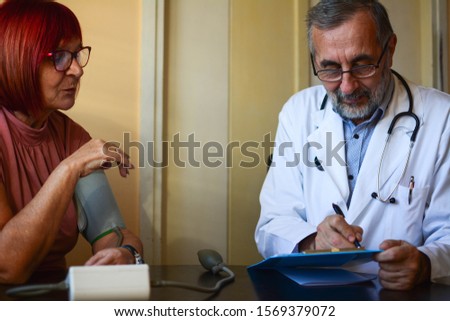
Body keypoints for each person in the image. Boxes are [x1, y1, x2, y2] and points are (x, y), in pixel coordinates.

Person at [255, 0, 450, 290]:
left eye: (362, 65)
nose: (347, 86)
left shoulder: (441, 115)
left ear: (390, 49)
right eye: (330, 69)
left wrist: (425, 263)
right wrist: (312, 241)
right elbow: (272, 223)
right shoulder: (298, 112)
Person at [0, 0, 143, 284]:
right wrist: (70, 168)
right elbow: (7, 266)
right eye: (61, 56)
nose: (78, 70)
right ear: (18, 58)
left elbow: (112, 233)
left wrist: (126, 254)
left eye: (78, 55)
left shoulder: (73, 137)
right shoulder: (77, 154)